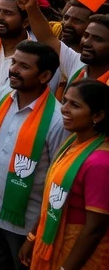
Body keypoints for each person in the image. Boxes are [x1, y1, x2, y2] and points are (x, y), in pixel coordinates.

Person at [0, 41, 67, 270]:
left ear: (45, 76)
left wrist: (33, 235)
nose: (14, 69)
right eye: (13, 62)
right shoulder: (5, 100)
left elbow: (58, 182)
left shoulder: (57, 120)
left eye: (24, 66)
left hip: (26, 224)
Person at [20, 80, 109, 269]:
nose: (64, 109)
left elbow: (95, 228)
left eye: (74, 105)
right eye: (65, 101)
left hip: (76, 255)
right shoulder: (72, 143)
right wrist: (32, 236)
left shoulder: (100, 163)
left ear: (98, 115)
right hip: (53, 242)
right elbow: (53, 198)